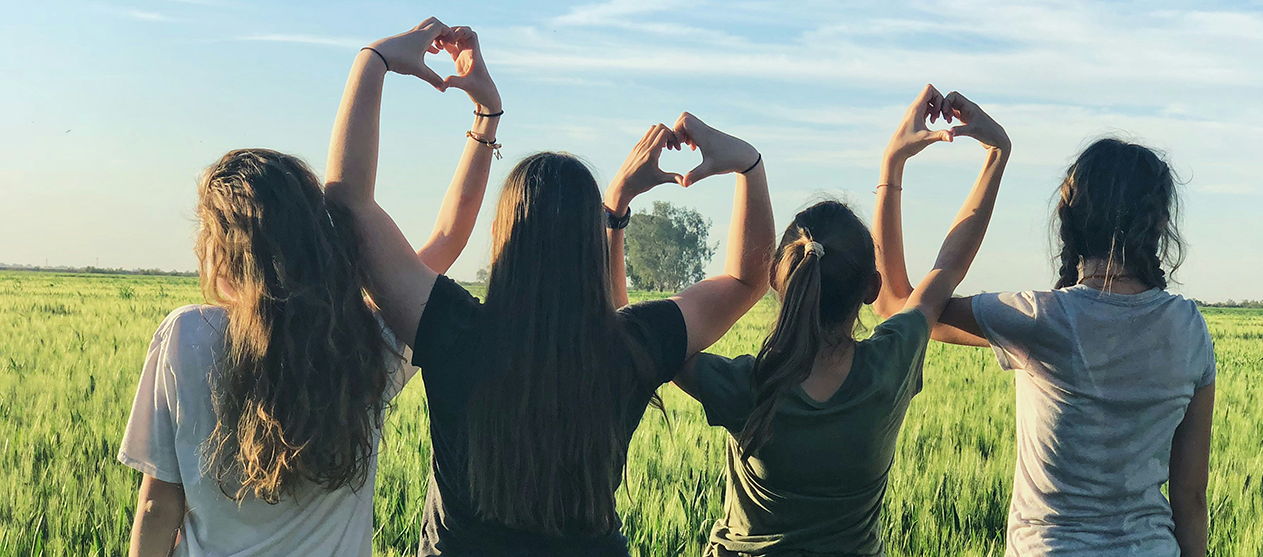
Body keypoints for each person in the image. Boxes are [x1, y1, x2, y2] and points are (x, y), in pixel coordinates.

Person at [321, 19, 776, 556]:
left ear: (502, 239)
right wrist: (748, 164)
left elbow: (349, 205)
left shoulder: (452, 329)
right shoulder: (633, 345)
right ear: (588, 245)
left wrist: (373, 59)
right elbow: (748, 279)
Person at [118, 21, 498, 556]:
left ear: (225, 249)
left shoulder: (185, 337)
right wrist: (484, 115)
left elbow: (159, 507)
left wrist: (375, 59)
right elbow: (447, 238)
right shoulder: (363, 345)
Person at [663, 84, 1010, 557]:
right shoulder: (889, 365)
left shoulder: (747, 384)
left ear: (776, 278)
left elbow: (647, 338)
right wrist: (992, 153)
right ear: (870, 289)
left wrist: (617, 211)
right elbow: (947, 266)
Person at [873, 105, 1215, 555]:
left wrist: (893, 166)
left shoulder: (1042, 318)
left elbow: (896, 303)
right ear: (1158, 226)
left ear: (1068, 218)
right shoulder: (1190, 328)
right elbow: (1190, 501)